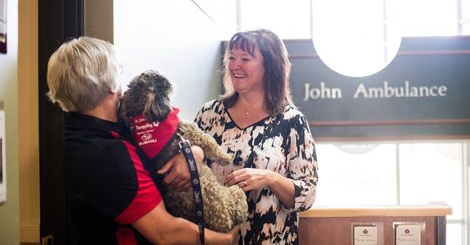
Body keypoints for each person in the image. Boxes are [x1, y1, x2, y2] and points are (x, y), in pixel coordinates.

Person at [46, 36, 238, 245]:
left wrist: (194, 154)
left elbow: (175, 136)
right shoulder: (109, 156)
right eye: (119, 72)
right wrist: (224, 240)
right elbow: (166, 233)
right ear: (111, 85)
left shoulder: (91, 129)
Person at [195, 29, 318, 244]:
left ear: (269, 66)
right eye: (231, 57)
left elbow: (307, 195)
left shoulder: (292, 121)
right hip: (217, 239)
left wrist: (269, 178)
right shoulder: (209, 114)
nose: (235, 65)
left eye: (245, 59)